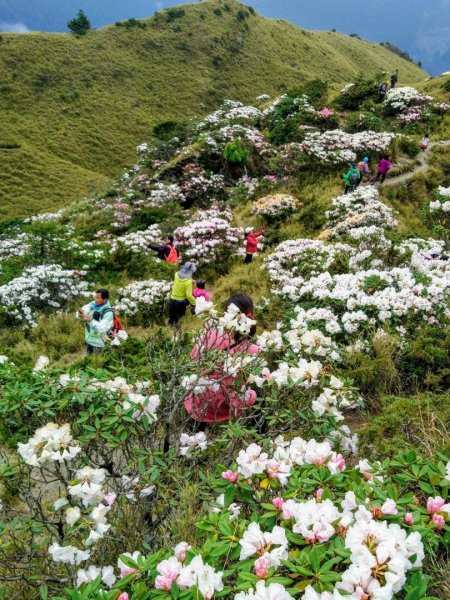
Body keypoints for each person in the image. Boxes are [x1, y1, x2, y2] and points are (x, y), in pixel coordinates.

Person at [184, 293, 261, 426]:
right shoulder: (254, 350)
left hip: (203, 398)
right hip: (229, 402)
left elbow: (193, 358)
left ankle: (193, 432)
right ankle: (259, 430)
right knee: (259, 396)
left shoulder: (210, 334)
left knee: (198, 403)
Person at [77, 289, 115, 354]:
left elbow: (102, 329)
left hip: (100, 344)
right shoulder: (92, 304)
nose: (95, 299)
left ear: (105, 299)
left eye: (98, 298)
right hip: (90, 340)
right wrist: (80, 315)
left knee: (98, 362)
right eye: (95, 297)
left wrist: (90, 320)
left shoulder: (108, 313)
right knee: (89, 361)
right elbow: (83, 310)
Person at [168, 261, 197, 326]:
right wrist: (194, 303)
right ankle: (177, 330)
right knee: (179, 318)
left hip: (172, 299)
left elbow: (181, 280)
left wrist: (191, 281)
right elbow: (189, 295)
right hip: (180, 302)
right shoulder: (188, 282)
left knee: (172, 316)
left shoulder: (176, 274)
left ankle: (170, 327)